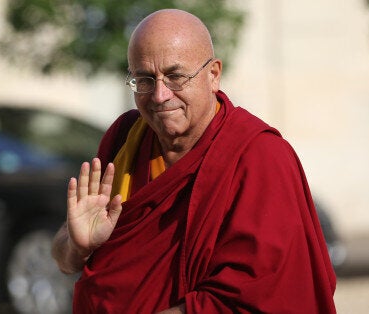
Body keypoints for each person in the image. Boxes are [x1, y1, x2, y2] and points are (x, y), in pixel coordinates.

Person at [51, 8, 337, 314]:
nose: (160, 96)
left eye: (175, 77)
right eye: (145, 79)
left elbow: (261, 294)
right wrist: (76, 246)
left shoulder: (259, 156)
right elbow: (66, 259)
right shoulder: (125, 138)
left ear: (213, 75)